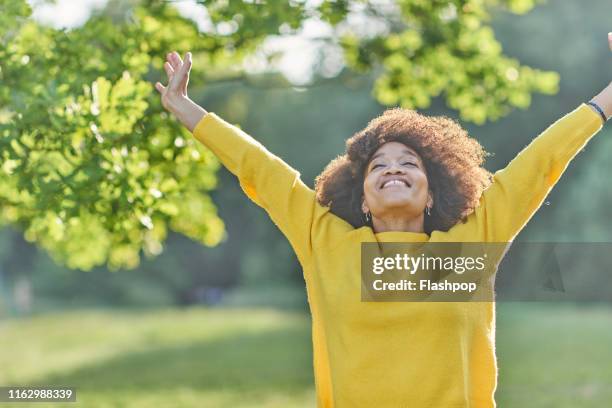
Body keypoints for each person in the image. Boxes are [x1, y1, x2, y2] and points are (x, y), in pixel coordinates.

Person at [154, 33, 611, 407]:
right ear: (364, 199)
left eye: (410, 163)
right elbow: (260, 168)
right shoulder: (326, 242)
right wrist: (187, 109)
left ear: (433, 192)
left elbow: (542, 161)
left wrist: (606, 102)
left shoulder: (469, 244)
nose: (394, 168)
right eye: (379, 165)